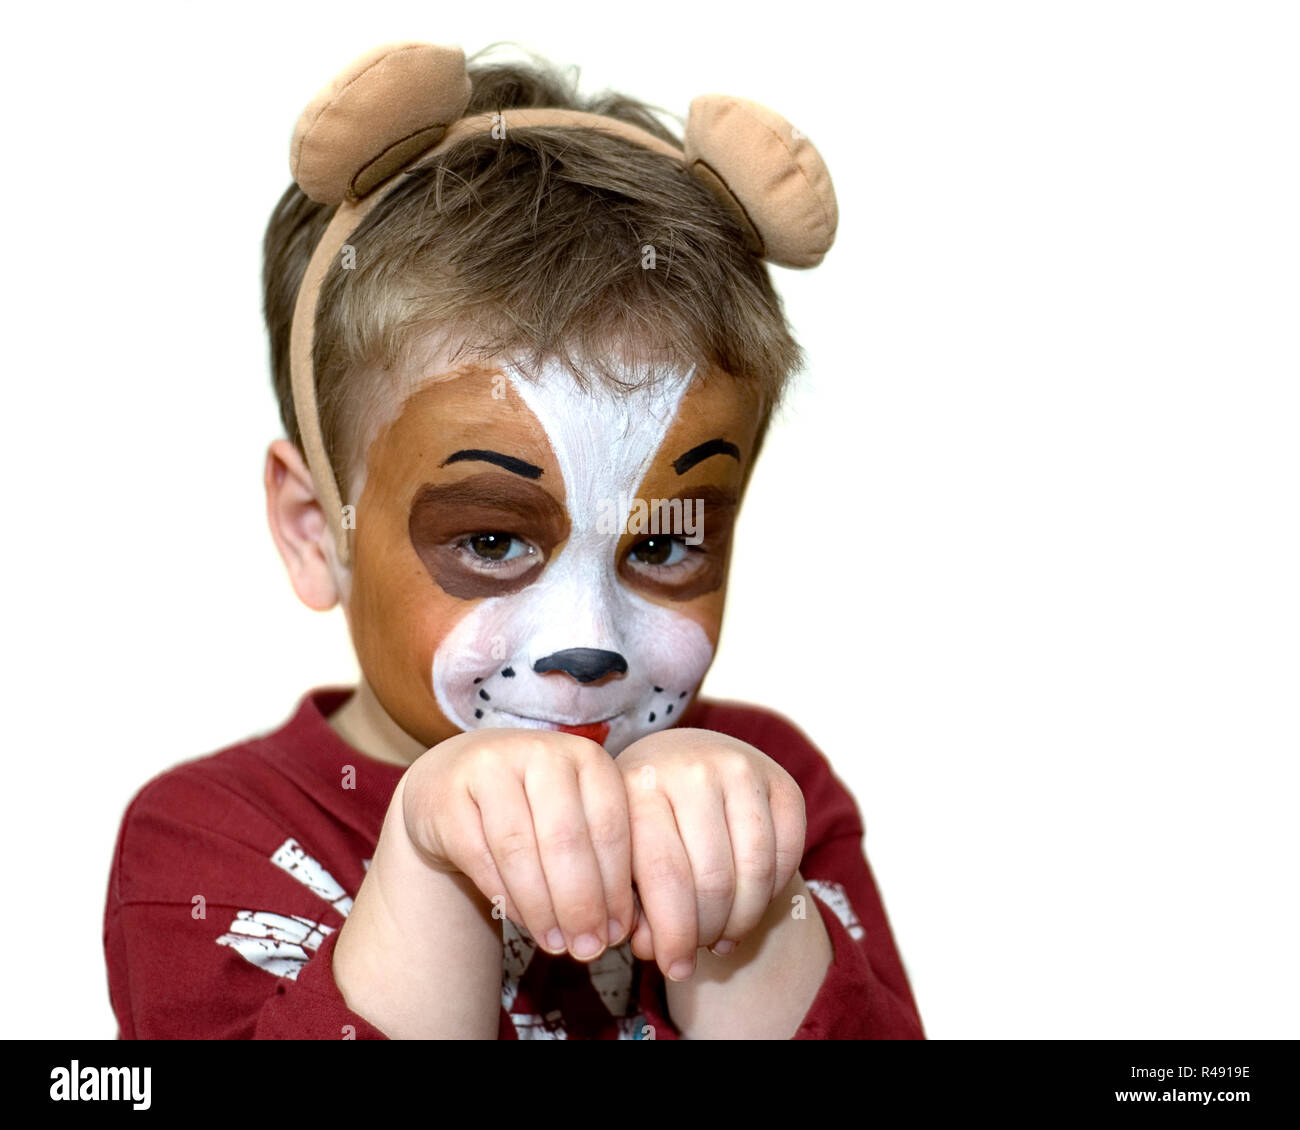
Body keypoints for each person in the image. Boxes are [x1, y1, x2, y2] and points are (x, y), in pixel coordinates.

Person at [102, 39, 925, 1040]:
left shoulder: (771, 790)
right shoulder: (206, 836)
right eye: (491, 540)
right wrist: (429, 861)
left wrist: (738, 914)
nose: (590, 644)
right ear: (316, 530)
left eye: (664, 546)